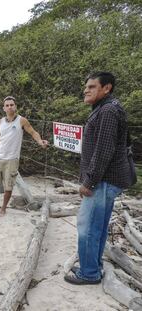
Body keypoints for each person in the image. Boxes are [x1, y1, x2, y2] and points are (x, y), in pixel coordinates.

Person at [64, 72, 133, 285]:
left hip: (101, 182)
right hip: (105, 180)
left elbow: (104, 150)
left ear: (106, 88)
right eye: (86, 86)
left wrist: (89, 182)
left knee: (87, 227)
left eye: (92, 87)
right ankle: (92, 265)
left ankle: (89, 273)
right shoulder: (105, 108)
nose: (86, 90)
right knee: (99, 227)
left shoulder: (109, 110)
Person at [0, 96, 48, 218]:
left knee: (8, 186)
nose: (9, 107)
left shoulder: (22, 120)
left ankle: (3, 209)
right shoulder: (0, 122)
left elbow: (33, 132)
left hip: (12, 159)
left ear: (15, 106)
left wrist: (40, 142)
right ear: (4, 108)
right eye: (7, 105)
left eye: (11, 105)